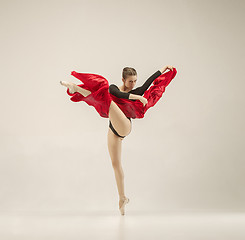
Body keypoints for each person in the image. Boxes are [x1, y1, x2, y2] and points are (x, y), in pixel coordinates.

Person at [60, 65, 177, 215]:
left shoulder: (135, 91)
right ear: (123, 79)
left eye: (135, 81)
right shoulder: (115, 88)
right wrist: (138, 97)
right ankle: (122, 198)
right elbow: (118, 94)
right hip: (113, 131)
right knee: (116, 165)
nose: (133, 85)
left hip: (124, 126)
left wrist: (163, 70)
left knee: (107, 102)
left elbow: (149, 82)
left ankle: (77, 89)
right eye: (130, 82)